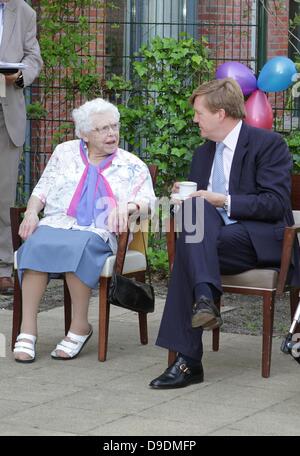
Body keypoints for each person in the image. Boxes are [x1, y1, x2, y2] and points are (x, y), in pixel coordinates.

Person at [149, 77, 300, 389]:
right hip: (214, 242)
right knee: (194, 216)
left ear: (220, 113)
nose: (194, 119)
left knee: (191, 250)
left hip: (258, 240)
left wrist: (221, 200)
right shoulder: (203, 154)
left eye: (199, 113)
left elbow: (274, 204)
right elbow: (197, 213)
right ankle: (205, 299)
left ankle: (189, 359)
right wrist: (184, 198)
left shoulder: (268, 145)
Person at [13, 98, 156, 363]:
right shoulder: (64, 152)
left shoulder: (132, 164)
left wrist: (127, 207)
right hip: (58, 223)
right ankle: (28, 328)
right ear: (84, 134)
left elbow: (149, 204)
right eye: (103, 129)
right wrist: (32, 211)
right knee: (35, 244)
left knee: (78, 245)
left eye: (114, 126)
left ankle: (80, 325)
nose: (112, 133)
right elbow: (41, 190)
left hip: (101, 231)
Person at [0, 0, 43, 294]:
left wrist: (19, 77)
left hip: (8, 113)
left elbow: (33, 58)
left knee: (3, 197)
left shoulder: (24, 11)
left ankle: (3, 266)